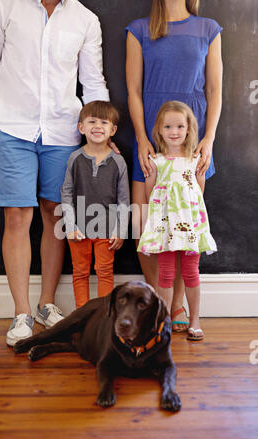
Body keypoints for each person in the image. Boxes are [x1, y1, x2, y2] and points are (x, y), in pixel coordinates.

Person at [0, 0, 111, 346]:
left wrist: (104, 133)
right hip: (12, 131)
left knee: (55, 213)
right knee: (17, 216)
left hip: (63, 133)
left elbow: (92, 83)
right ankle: (21, 313)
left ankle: (46, 304)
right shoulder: (4, 7)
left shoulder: (85, 19)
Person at [126, 0, 223, 332]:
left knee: (185, 229)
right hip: (152, 135)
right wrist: (141, 138)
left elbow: (214, 89)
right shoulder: (139, 29)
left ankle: (178, 304)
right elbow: (134, 91)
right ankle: (156, 304)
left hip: (191, 137)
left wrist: (208, 139)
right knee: (145, 224)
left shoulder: (208, 29)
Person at [138, 101, 217, 340]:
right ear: (159, 131)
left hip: (191, 225)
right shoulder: (156, 161)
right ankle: (163, 321)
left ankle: (195, 320)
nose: (174, 132)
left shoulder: (195, 160)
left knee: (192, 271)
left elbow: (198, 192)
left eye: (180, 126)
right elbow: (150, 194)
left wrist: (186, 216)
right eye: (168, 126)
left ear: (189, 129)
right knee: (166, 273)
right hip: (165, 226)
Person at [61, 101, 130, 309]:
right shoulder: (75, 158)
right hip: (79, 229)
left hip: (107, 229)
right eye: (92, 121)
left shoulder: (118, 162)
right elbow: (66, 192)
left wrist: (120, 231)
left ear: (113, 130)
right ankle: (82, 315)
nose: (97, 126)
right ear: (81, 127)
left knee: (104, 271)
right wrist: (70, 226)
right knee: (80, 272)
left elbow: (124, 200)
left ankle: (104, 316)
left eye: (103, 122)